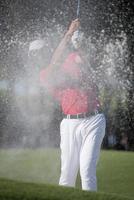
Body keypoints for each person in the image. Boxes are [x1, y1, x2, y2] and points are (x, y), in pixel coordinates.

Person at [31, 19, 106, 191]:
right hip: (70, 123)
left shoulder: (71, 58)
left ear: (46, 51)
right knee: (67, 175)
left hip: (93, 120)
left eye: (40, 52)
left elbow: (86, 58)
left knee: (87, 170)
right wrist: (69, 33)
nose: (38, 56)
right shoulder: (44, 75)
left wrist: (80, 43)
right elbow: (55, 62)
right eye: (35, 54)